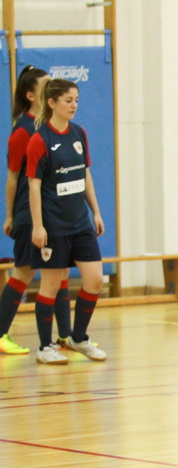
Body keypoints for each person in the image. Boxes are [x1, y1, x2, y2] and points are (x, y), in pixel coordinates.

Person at [27, 78, 107, 364]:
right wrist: (38, 225)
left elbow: (85, 174)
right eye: (68, 100)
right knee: (50, 286)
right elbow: (34, 185)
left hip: (80, 223)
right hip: (54, 226)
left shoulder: (79, 133)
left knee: (94, 280)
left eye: (76, 100)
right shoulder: (40, 140)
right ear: (52, 103)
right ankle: (45, 347)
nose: (74, 105)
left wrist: (96, 211)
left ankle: (79, 337)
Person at [0, 65, 74, 356]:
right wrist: (10, 215)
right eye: (45, 87)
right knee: (24, 271)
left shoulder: (54, 127)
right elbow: (13, 177)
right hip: (29, 214)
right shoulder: (23, 131)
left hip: (53, 212)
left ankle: (66, 336)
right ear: (31, 95)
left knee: (60, 270)